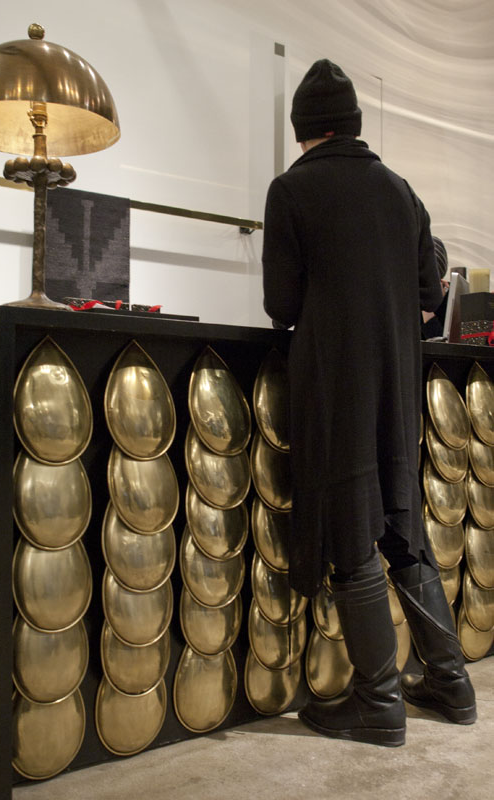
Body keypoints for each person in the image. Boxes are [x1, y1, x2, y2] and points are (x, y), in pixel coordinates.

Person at [261, 59, 476, 748]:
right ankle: (450, 682)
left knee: (353, 538)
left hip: (337, 385)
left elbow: (280, 304)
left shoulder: (291, 190)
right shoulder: (400, 192)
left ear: (303, 130)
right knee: (400, 533)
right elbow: (426, 291)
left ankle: (377, 703)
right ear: (352, 123)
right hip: (397, 387)